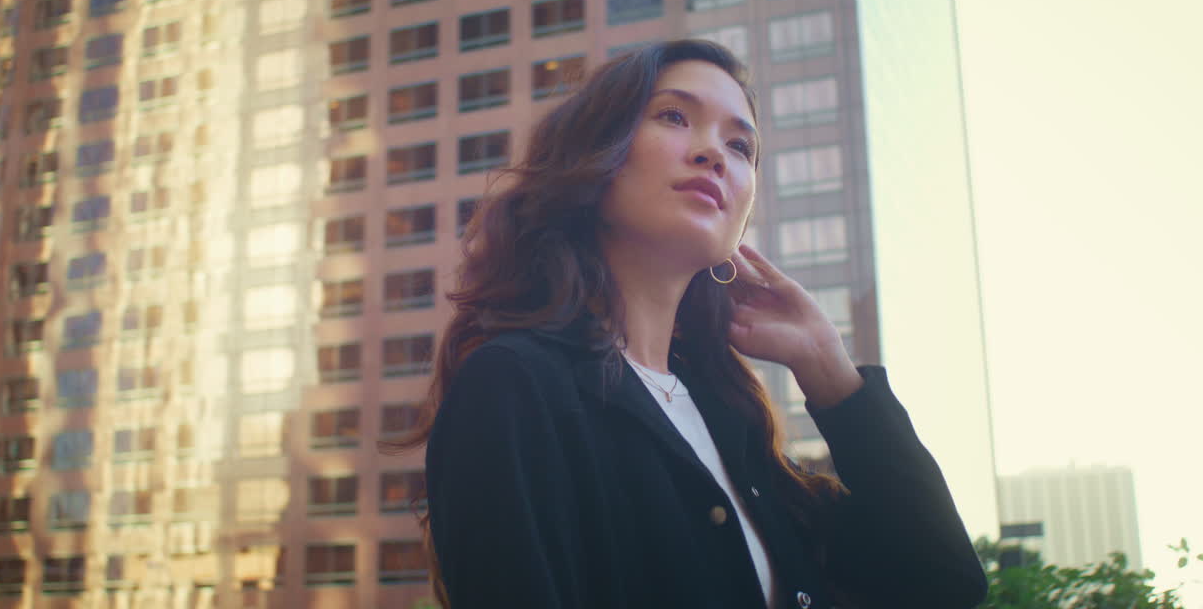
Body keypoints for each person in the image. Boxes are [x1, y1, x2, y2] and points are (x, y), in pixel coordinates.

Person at [388, 40, 988, 608]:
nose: (713, 154)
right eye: (674, 117)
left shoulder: (731, 420)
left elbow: (943, 583)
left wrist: (828, 368)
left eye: (741, 146)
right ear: (596, 155)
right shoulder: (516, 384)